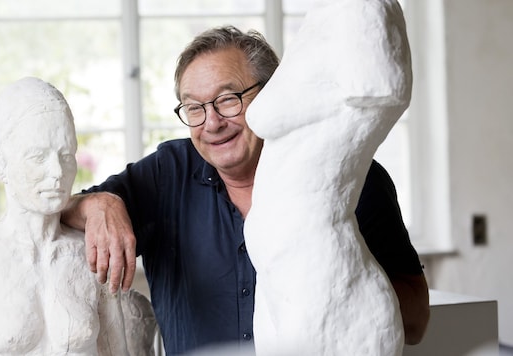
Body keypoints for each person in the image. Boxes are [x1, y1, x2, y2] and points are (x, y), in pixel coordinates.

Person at [61, 26, 430, 355]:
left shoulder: (353, 176)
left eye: (227, 99)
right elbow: (58, 209)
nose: (212, 123)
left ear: (272, 97)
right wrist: (100, 203)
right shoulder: (166, 173)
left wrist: (344, 274)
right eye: (194, 108)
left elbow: (416, 322)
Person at [0, 77, 129, 355]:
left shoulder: (90, 252)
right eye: (38, 157)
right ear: (2, 165)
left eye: (66, 155)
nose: (58, 172)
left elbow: (116, 351)